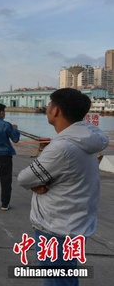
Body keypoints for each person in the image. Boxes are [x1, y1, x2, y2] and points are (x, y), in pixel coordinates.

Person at [18, 88, 108, 285]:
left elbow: (24, 178)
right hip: (75, 224)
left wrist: (36, 183)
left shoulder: (61, 148)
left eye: (49, 104)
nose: (46, 108)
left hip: (55, 228)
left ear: (56, 110)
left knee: (56, 281)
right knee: (66, 278)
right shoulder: (86, 139)